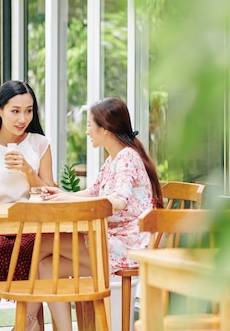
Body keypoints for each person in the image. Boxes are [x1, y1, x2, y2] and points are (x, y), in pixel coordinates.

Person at [23, 97, 164, 331]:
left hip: (128, 247)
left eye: (90, 125)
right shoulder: (114, 158)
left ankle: (28, 322)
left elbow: (119, 200)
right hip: (111, 242)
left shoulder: (127, 157)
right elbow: (93, 191)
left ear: (105, 129)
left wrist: (66, 199)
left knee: (45, 241)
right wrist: (61, 192)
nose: (87, 131)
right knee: (47, 266)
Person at [0, 80, 55, 331]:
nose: (22, 118)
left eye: (28, 111)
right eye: (15, 110)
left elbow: (49, 191)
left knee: (36, 251)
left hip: (29, 228)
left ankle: (27, 322)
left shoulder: (39, 144)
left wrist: (29, 171)